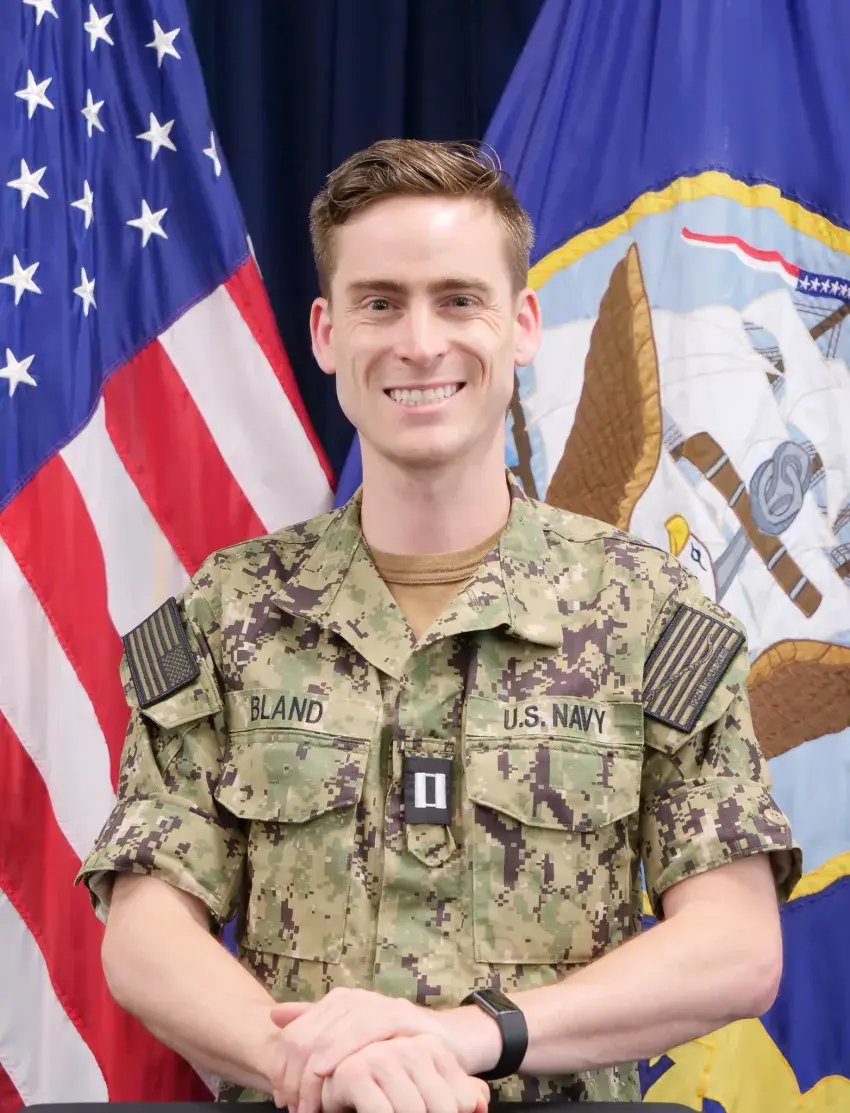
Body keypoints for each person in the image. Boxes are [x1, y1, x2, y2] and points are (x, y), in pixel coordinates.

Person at [77, 138, 801, 1111]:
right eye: (380, 303)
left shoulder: (649, 615)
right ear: (327, 332)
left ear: (522, 324)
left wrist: (469, 1036)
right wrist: (318, 1062)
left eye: (459, 299)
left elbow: (736, 946)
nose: (420, 343)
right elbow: (145, 930)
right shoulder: (228, 613)